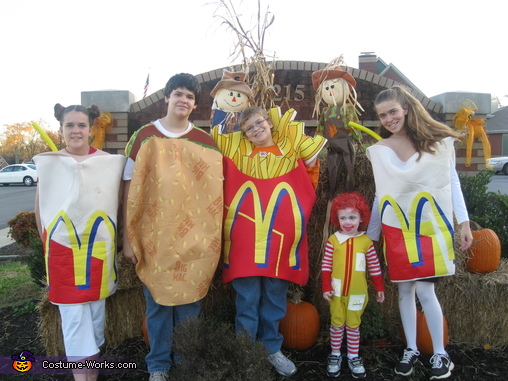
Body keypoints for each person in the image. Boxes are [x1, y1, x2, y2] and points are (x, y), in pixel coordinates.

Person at [366, 86, 473, 380]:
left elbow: (450, 183)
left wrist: (463, 223)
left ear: (406, 109)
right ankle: (411, 348)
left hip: (430, 227)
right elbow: (381, 194)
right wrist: (371, 235)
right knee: (404, 290)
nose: (389, 118)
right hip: (397, 229)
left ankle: (440, 353)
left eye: (393, 111)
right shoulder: (380, 150)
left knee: (426, 290)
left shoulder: (437, 144)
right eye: (382, 115)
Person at [211, 105, 326, 376]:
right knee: (247, 300)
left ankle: (271, 349)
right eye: (249, 128)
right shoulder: (236, 154)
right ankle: (247, 352)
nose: (256, 129)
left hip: (279, 241)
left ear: (269, 123)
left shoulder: (290, 152)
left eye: (259, 123)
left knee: (274, 298)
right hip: (244, 240)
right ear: (244, 134)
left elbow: (307, 187)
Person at [122, 73, 223, 381]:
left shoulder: (204, 142)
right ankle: (159, 365)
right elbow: (129, 186)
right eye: (178, 94)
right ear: (166, 97)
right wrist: (127, 239)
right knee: (158, 306)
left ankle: (186, 361)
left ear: (195, 104)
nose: (184, 100)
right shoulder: (145, 136)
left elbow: (216, 191)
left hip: (195, 239)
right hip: (154, 238)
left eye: (190, 97)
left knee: (190, 304)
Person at [34, 103, 126, 381]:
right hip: (62, 252)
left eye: (81, 125)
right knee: (74, 324)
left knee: (95, 324)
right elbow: (42, 207)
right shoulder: (50, 163)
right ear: (61, 130)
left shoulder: (108, 163)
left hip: (98, 252)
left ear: (91, 129)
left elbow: (118, 203)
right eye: (70, 125)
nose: (76, 130)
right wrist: (46, 243)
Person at [321, 192, 385, 379]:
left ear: (361, 218)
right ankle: (335, 355)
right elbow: (326, 266)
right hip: (336, 292)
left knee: (354, 325)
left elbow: (374, 267)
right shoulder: (334, 241)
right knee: (337, 323)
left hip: (358, 293)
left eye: (352, 217)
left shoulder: (366, 242)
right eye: (343, 218)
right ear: (337, 219)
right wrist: (326, 287)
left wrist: (379, 288)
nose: (347, 222)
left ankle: (353, 356)